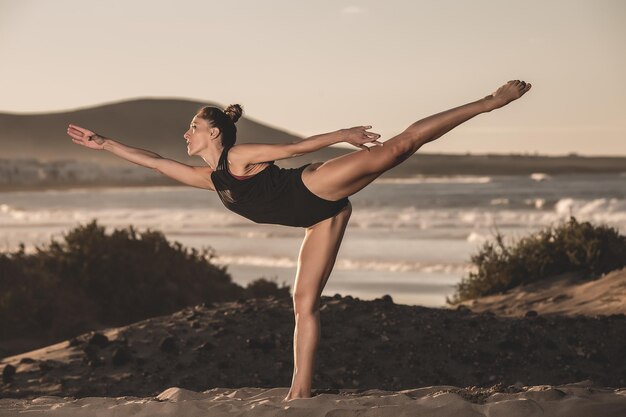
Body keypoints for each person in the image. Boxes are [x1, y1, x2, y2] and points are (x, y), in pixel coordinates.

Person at [66, 80, 532, 401]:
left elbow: (292, 150)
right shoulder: (210, 179)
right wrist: (103, 142)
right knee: (302, 303)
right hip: (322, 219)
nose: (184, 133)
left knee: (396, 149)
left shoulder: (237, 156)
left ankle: (490, 102)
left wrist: (344, 135)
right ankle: (300, 393)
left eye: (192, 127)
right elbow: (151, 161)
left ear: (213, 132)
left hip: (316, 187)